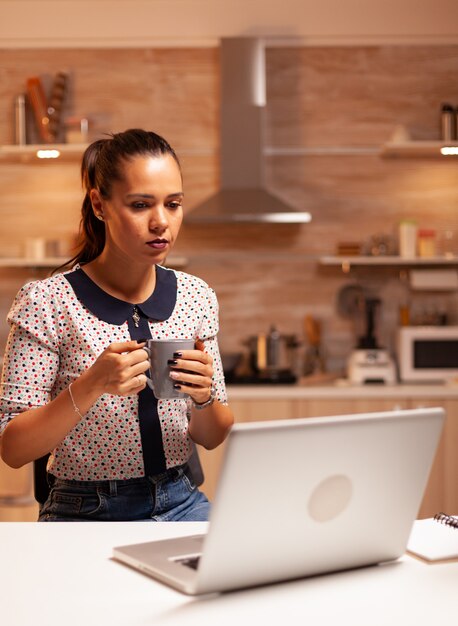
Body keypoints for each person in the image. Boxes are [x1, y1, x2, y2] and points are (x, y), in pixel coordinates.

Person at [0, 128, 234, 522]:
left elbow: (212, 436)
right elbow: (13, 449)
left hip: (182, 501)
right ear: (99, 204)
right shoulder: (47, 302)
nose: (161, 222)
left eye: (173, 204)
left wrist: (204, 397)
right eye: (141, 205)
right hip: (85, 510)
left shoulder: (196, 296)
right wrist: (92, 384)